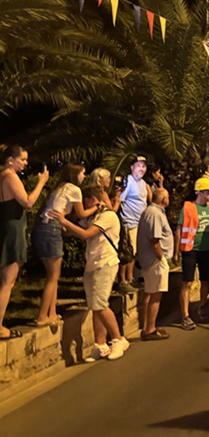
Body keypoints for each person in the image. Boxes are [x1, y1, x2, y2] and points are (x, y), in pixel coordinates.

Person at [50, 186, 130, 361]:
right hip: (93, 264)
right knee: (94, 305)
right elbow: (76, 230)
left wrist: (64, 222)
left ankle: (118, 339)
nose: (83, 207)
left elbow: (86, 234)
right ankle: (100, 345)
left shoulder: (108, 216)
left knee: (100, 304)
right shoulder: (95, 216)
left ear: (92, 199)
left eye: (85, 202)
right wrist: (63, 223)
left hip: (105, 263)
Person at [31, 163, 96, 327]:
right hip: (52, 228)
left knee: (53, 274)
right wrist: (97, 207)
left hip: (42, 227)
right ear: (75, 175)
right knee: (53, 276)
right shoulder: (74, 189)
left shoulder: (60, 187)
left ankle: (51, 313)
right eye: (82, 173)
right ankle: (42, 316)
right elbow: (81, 214)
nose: (84, 177)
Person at [0, 145, 49, 339]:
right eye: (23, 159)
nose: (26, 163)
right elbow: (28, 202)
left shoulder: (4, 176)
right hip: (12, 230)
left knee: (5, 280)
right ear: (11, 160)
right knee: (7, 281)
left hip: (7, 227)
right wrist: (41, 183)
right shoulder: (9, 176)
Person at [174, 176, 209, 330]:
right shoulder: (188, 208)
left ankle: (202, 307)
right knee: (187, 282)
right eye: (208, 192)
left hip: (207, 250)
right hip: (190, 249)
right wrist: (176, 251)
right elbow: (179, 228)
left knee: (205, 281)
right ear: (199, 192)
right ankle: (185, 315)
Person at [136, 188, 173, 341]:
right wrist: (161, 257)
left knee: (150, 293)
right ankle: (150, 329)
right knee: (156, 295)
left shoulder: (152, 212)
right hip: (155, 261)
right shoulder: (155, 214)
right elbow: (154, 240)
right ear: (164, 199)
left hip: (151, 260)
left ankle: (147, 327)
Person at [118, 156, 151, 293]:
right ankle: (123, 280)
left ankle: (131, 278)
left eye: (143, 166)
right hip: (129, 223)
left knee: (135, 252)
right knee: (127, 253)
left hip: (140, 223)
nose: (141, 169)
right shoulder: (128, 181)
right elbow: (120, 199)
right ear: (132, 167)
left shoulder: (143, 183)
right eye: (138, 166)